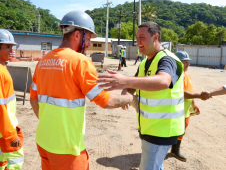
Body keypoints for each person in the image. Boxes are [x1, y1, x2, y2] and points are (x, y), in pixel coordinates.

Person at [29, 11, 136, 170]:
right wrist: (131, 97)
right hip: (67, 148)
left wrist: (49, 124)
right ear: (77, 35)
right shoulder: (80, 62)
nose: (90, 43)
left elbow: (33, 99)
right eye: (90, 38)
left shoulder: (42, 62)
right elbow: (106, 101)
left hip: (44, 141)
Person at [97, 21, 185, 170]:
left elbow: (164, 80)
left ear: (155, 37)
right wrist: (126, 89)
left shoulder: (167, 59)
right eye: (137, 38)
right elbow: (136, 83)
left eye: (142, 37)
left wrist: (124, 81)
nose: (138, 42)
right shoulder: (145, 62)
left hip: (162, 130)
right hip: (149, 128)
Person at [171, 51, 210, 162]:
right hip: (176, 109)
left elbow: (188, 89)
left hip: (186, 109)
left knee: (183, 128)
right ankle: (166, 149)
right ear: (177, 62)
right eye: (185, 62)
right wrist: (199, 95)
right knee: (175, 130)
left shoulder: (187, 74)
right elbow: (182, 93)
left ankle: (175, 150)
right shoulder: (176, 75)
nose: (188, 64)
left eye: (188, 62)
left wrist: (193, 102)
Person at [0, 29, 24, 170]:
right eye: (7, 47)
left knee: (2, 162)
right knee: (15, 161)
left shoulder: (3, 68)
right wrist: (10, 135)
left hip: (3, 129)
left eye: (12, 47)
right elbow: (1, 106)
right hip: (6, 130)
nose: (11, 50)